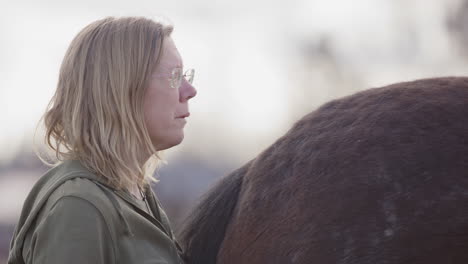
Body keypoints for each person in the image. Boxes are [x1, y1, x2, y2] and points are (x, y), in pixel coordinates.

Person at [7, 16, 197, 264]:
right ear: (121, 89)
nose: (190, 91)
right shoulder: (78, 206)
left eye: (186, 76)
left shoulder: (135, 193)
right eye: (174, 76)